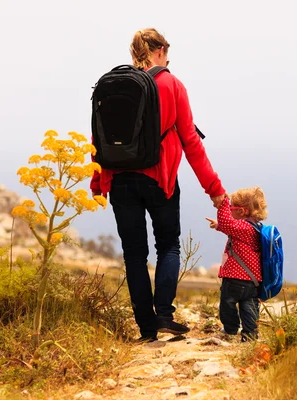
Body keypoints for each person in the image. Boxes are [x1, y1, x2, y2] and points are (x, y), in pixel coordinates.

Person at [90, 28, 227, 342]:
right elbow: (190, 141)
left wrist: (98, 180)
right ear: (161, 50)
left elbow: (98, 138)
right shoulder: (171, 84)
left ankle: (146, 329)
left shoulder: (113, 86)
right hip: (159, 179)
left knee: (134, 255)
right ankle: (164, 313)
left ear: (134, 53)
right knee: (168, 245)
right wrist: (214, 188)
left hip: (119, 180)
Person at [206, 187, 268, 342]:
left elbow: (228, 224)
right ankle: (250, 335)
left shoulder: (242, 227)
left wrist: (223, 203)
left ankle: (230, 328)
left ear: (242, 211)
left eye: (232, 208)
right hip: (253, 281)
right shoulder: (255, 228)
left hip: (234, 278)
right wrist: (219, 225)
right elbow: (232, 229)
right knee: (250, 307)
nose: (229, 211)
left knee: (227, 305)